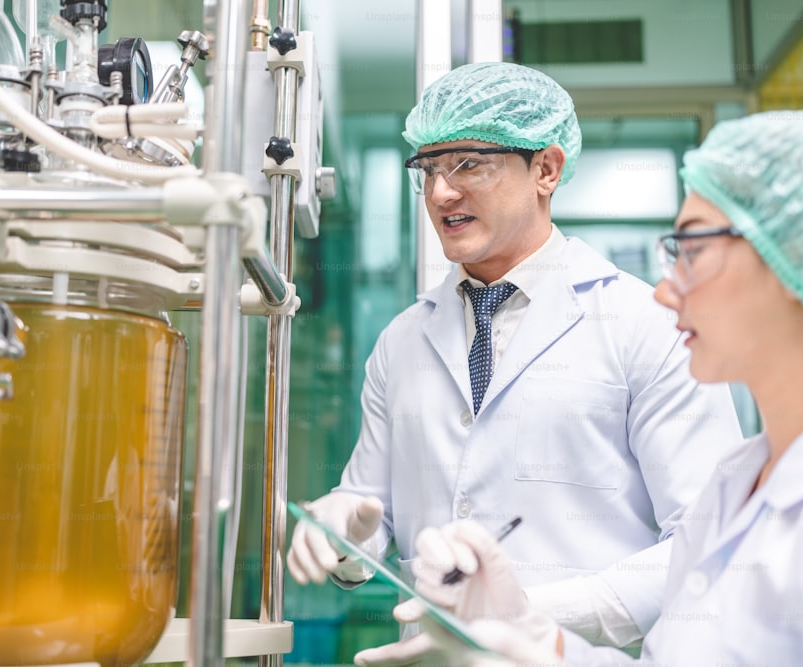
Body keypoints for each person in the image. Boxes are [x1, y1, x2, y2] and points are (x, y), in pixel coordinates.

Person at [286, 61, 744, 662]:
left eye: (469, 164)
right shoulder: (401, 343)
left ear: (546, 170)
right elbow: (373, 517)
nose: (441, 192)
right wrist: (344, 536)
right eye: (426, 169)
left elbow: (711, 541)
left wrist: (534, 619)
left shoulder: (647, 327)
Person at [400, 109, 803, 665]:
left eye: (695, 252)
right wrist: (544, 643)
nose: (663, 293)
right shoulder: (740, 479)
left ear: (802, 262)